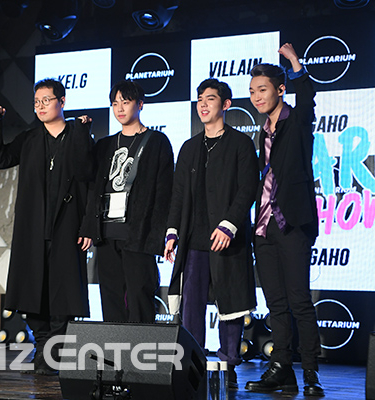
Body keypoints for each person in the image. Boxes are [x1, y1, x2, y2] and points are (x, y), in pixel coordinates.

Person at [0, 78, 94, 375]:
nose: (40, 106)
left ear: (62, 101)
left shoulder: (77, 134)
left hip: (67, 227)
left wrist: (88, 226)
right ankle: (45, 349)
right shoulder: (29, 138)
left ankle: (53, 354)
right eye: (36, 102)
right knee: (32, 294)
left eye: (46, 100)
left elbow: (87, 175)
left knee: (63, 296)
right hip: (32, 229)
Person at [163, 78, 259, 389]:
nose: (203, 104)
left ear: (226, 105)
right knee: (191, 307)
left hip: (227, 239)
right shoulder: (189, 147)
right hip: (194, 241)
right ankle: (194, 367)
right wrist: (172, 233)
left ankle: (228, 366)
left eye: (211, 98)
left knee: (230, 303)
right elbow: (178, 195)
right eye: (200, 99)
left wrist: (229, 224)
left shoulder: (241, 144)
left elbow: (248, 188)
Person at [244, 43, 324, 396]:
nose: (256, 97)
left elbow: (307, 98)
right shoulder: (261, 132)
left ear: (280, 89)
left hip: (292, 223)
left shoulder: (297, 122)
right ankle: (282, 369)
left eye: (262, 90)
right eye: (252, 92)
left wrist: (294, 62)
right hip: (263, 227)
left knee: (299, 301)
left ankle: (311, 373)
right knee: (275, 303)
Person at [80, 80, 174, 324]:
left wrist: (162, 234)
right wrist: (89, 227)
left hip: (139, 235)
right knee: (110, 300)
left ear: (140, 104)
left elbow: (164, 192)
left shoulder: (157, 141)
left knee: (140, 297)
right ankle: (116, 348)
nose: (119, 108)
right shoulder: (105, 145)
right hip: (106, 234)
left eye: (126, 101)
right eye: (115, 103)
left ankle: (142, 348)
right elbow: (92, 188)